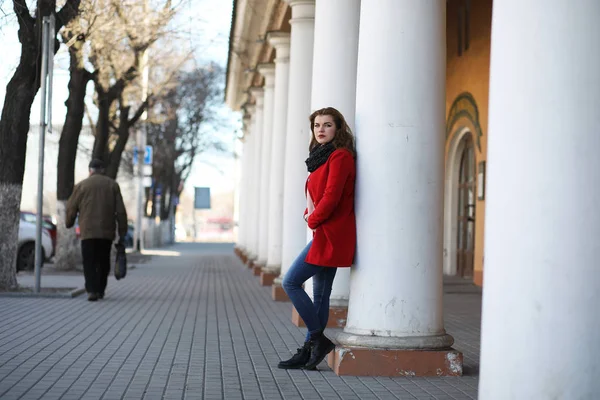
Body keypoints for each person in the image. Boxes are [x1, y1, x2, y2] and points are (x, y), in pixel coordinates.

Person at [278, 107, 356, 370]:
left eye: (327, 125)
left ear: (338, 129)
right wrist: (307, 213)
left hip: (332, 234)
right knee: (321, 295)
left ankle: (317, 340)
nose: (321, 129)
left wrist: (312, 219)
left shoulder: (340, 156)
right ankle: (311, 347)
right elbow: (318, 196)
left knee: (290, 282)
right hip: (324, 231)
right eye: (317, 125)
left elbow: (333, 196)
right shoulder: (319, 158)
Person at [66, 159, 128, 301]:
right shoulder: (112, 185)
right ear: (103, 170)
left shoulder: (81, 186)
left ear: (90, 170)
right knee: (103, 260)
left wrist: (69, 222)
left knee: (89, 261)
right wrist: (122, 230)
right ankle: (100, 289)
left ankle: (91, 290)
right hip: (106, 232)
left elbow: (71, 207)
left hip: (87, 231)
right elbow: (121, 211)